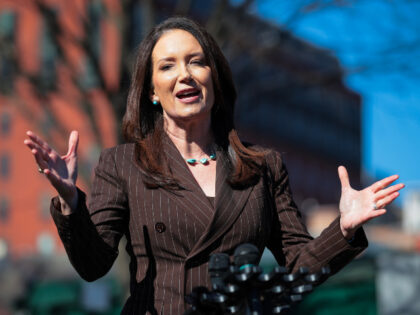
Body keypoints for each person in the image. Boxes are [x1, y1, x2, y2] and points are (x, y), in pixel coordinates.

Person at [24, 16, 404, 314]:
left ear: (214, 79)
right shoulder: (123, 164)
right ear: (152, 91)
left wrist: (345, 229)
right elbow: (93, 265)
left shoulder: (263, 167)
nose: (184, 74)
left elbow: (297, 267)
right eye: (167, 66)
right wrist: (72, 202)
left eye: (196, 62)